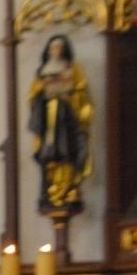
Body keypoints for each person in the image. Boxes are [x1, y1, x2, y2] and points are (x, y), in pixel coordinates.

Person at [26, 34, 95, 214]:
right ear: (48, 51)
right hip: (48, 119)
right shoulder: (42, 71)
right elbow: (33, 96)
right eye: (52, 49)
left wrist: (68, 94)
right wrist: (43, 91)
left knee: (67, 153)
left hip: (66, 119)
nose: (55, 52)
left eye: (59, 49)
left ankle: (66, 189)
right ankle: (52, 190)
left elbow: (81, 92)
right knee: (49, 155)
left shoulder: (72, 69)